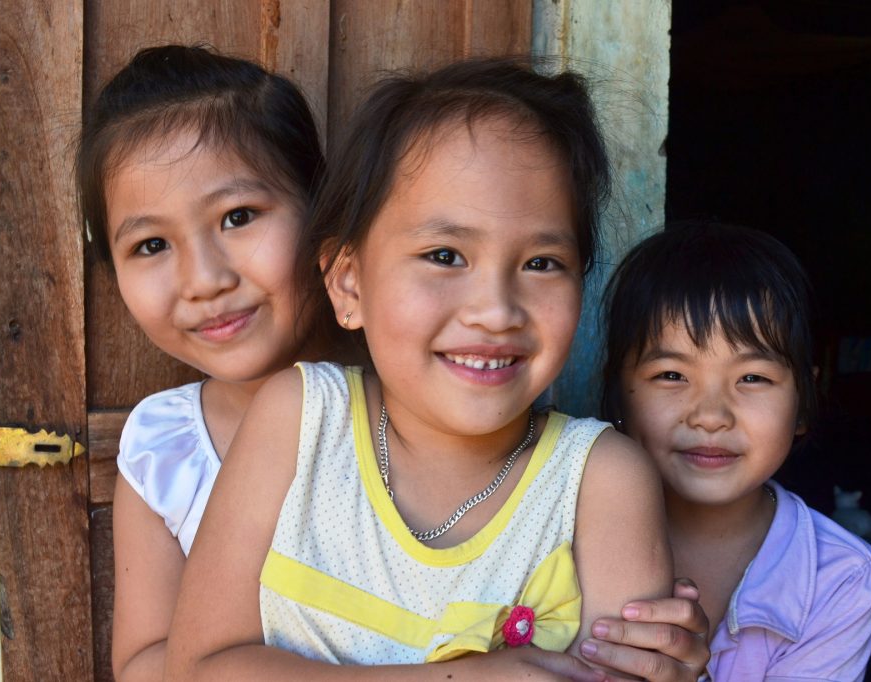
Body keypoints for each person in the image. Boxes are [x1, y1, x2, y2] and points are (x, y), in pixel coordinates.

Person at [166, 58, 677, 681]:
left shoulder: (600, 483)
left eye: (542, 263)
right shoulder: (300, 420)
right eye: (444, 255)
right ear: (348, 284)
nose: (495, 311)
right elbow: (198, 668)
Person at [75, 44, 332, 682]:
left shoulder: (431, 401)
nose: (204, 279)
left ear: (324, 211)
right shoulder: (166, 453)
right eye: (151, 244)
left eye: (238, 216)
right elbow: (142, 664)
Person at [602, 222, 871, 681]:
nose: (711, 416)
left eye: (753, 378)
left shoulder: (841, 581)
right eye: (671, 375)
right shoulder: (558, 526)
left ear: (803, 403)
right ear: (619, 396)